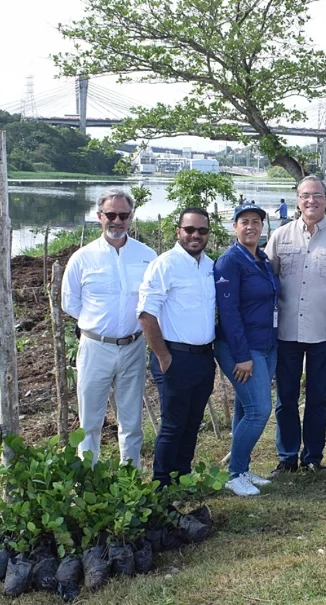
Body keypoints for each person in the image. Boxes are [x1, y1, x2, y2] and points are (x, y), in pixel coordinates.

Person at [62, 189, 156, 468]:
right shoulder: (82, 258)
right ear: (99, 216)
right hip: (95, 348)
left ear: (131, 217)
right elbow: (71, 303)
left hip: (133, 347)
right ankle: (88, 481)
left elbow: (152, 300)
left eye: (123, 215)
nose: (117, 221)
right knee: (89, 422)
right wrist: (99, 326)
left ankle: (130, 482)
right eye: (111, 215)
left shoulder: (147, 256)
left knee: (131, 421)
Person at [264, 176, 326, 476]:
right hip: (286, 331)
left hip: (324, 332)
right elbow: (267, 280)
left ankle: (313, 456)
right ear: (297, 200)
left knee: (317, 398)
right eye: (305, 196)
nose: (311, 201)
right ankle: (287, 456)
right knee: (286, 398)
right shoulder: (280, 236)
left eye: (317, 195)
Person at [137, 207, 217, 487]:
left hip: (204, 358)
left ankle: (182, 476)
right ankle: (161, 484)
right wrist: (163, 357)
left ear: (208, 233)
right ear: (178, 232)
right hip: (174, 357)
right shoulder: (164, 264)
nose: (196, 235)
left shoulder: (209, 266)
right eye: (190, 230)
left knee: (193, 421)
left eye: (202, 230)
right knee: (172, 424)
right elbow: (146, 314)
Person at [214, 203, 281, 496]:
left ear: (263, 227)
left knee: (245, 407)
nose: (251, 226)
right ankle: (234, 473)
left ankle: (242, 469)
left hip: (266, 344)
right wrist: (241, 356)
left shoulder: (261, 258)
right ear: (235, 227)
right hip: (240, 348)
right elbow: (228, 313)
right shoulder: (230, 261)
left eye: (256, 221)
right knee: (259, 410)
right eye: (245, 221)